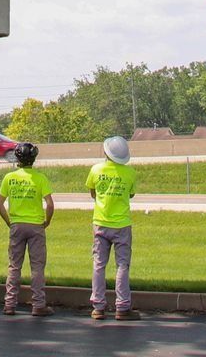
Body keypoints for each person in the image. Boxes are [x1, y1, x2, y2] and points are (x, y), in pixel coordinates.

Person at [0, 140, 54, 316]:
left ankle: (10, 304)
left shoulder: (9, 178)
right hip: (36, 226)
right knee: (37, 266)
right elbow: (50, 204)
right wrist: (47, 221)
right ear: (34, 158)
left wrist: (9, 221)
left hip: (16, 225)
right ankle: (38, 304)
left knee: (14, 266)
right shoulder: (40, 178)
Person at [87, 135, 140, 320]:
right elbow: (131, 194)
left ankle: (98, 306)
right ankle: (122, 306)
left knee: (99, 264)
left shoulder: (95, 170)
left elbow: (93, 192)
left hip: (100, 222)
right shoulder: (130, 173)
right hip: (122, 225)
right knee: (122, 265)